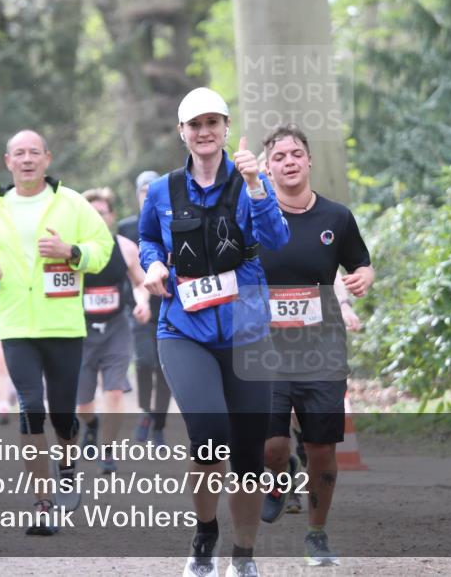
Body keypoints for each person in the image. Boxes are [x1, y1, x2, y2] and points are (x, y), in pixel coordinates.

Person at [139, 87, 290, 577]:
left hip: (247, 331)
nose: (204, 133)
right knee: (208, 436)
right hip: (183, 327)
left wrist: (256, 184)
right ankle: (205, 535)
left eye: (213, 123)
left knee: (248, 455)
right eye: (194, 125)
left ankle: (243, 554)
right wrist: (154, 265)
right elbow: (146, 239)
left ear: (226, 128)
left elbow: (276, 240)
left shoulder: (252, 181)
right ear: (182, 133)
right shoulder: (163, 190)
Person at [0, 129, 113, 535]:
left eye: (34, 152)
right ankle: (42, 503)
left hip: (63, 323)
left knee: (63, 414)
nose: (27, 159)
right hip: (15, 323)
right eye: (19, 153)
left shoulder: (72, 203)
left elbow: (103, 249)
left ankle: (68, 465)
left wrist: (72, 252)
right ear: (7, 161)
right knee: (31, 407)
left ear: (47, 159)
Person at [257, 124, 374, 567]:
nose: (288, 161)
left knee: (323, 449)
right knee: (270, 446)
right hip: (264, 350)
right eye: (279, 157)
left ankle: (317, 533)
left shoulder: (336, 218)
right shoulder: (254, 218)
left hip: (321, 348)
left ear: (308, 161)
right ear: (267, 169)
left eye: (295, 154)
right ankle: (280, 477)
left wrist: (364, 277)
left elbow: (360, 262)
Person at [75, 188, 150, 473]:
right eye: (91, 214)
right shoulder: (73, 250)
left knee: (115, 391)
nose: (97, 218)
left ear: (111, 216)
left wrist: (142, 303)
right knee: (83, 404)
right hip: (81, 332)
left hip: (117, 328)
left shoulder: (125, 247)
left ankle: (107, 450)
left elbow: (141, 282)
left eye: (102, 213)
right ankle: (91, 425)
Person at [117, 170, 172, 445]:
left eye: (152, 191)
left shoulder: (172, 223)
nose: (147, 196)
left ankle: (159, 424)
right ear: (137, 195)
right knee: (143, 362)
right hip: (138, 308)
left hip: (169, 304)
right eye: (143, 192)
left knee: (164, 369)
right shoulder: (126, 227)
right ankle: (146, 412)